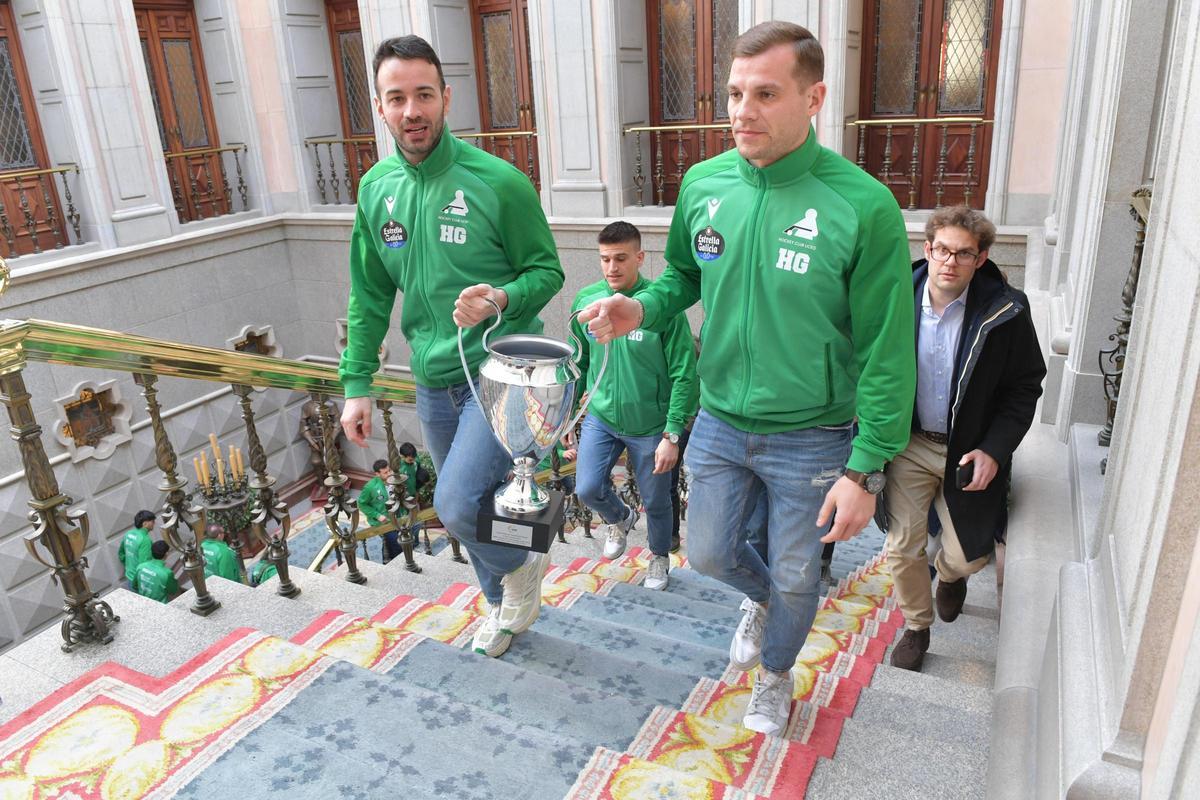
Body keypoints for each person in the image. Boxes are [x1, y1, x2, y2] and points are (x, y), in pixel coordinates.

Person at [579, 22, 915, 735]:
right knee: (705, 552)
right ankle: (762, 600)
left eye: (765, 93)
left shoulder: (863, 206)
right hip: (722, 421)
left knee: (799, 574)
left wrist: (868, 467)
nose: (742, 111)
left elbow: (889, 349)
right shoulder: (704, 185)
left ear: (814, 97)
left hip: (816, 435)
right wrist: (638, 306)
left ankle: (774, 675)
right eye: (734, 92)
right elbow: (684, 279)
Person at [338, 36, 564, 659]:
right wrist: (357, 384)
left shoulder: (498, 181)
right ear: (380, 109)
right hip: (432, 377)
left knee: (458, 503)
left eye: (424, 95)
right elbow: (369, 295)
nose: (412, 110)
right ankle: (500, 609)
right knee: (475, 503)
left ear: (446, 98)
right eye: (397, 98)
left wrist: (499, 299)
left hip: (499, 374)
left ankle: (520, 571)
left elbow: (546, 272)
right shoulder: (376, 188)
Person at [886, 206, 1046, 671]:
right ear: (927, 249)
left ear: (981, 258)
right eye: (942, 250)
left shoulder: (1007, 310)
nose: (949, 262)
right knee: (902, 546)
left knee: (968, 557)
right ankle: (916, 627)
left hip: (969, 450)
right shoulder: (893, 297)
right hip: (909, 444)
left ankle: (950, 576)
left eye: (963, 253)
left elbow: (1024, 386)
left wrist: (995, 449)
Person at [570, 221, 699, 591]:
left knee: (658, 501)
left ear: (640, 258)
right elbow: (577, 363)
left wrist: (672, 434)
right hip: (602, 417)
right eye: (605, 259)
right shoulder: (586, 302)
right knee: (587, 488)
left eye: (621, 258)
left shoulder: (661, 308)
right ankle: (620, 516)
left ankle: (658, 556)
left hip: (651, 426)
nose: (612, 268)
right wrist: (567, 418)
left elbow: (684, 375)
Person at [359, 458, 402, 562]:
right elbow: (361, 504)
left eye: (389, 471)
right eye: (385, 473)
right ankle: (391, 561)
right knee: (393, 540)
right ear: (377, 474)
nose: (389, 474)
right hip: (382, 521)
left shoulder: (394, 480)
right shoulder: (370, 487)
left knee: (398, 539)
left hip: (397, 516)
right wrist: (377, 515)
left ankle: (391, 559)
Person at [118, 510, 156, 587]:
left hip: (129, 576)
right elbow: (144, 564)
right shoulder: (145, 540)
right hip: (140, 582)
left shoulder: (128, 534)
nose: (154, 523)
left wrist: (129, 564)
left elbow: (121, 554)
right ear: (145, 523)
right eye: (152, 521)